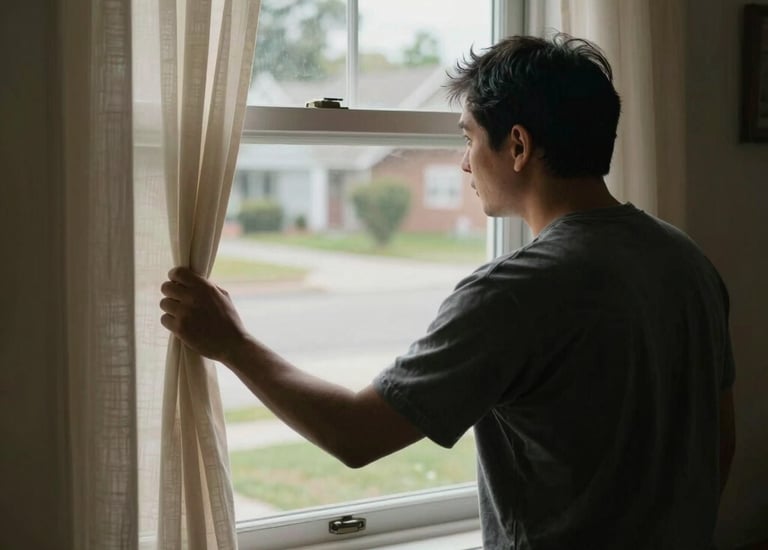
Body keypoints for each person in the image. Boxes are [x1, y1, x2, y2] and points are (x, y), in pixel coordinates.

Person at [160, 34, 735, 549]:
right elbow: (720, 440)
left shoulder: (516, 292)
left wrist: (232, 343)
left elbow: (355, 434)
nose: (463, 163)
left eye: (469, 138)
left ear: (517, 146)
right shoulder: (686, 259)